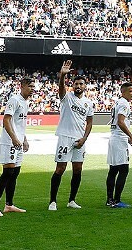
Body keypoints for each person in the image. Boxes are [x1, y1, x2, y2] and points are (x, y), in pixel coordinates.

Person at [49, 60, 93, 211]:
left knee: (78, 170)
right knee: (60, 169)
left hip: (80, 140)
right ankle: (52, 201)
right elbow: (61, 89)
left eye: (81, 84)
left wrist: (84, 139)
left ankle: (71, 200)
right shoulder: (67, 97)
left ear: (85, 86)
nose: (79, 86)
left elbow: (89, 123)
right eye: (76, 84)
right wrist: (62, 75)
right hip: (65, 137)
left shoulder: (89, 103)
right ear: (72, 86)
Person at [0, 77, 32, 217]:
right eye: (30, 86)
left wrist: (24, 139)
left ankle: (9, 205)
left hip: (18, 142)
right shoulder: (14, 100)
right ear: (22, 86)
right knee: (7, 172)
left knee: (15, 173)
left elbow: (19, 124)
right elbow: (6, 119)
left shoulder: (25, 102)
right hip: (9, 142)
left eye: (33, 87)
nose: (33, 89)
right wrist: (13, 138)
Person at [106, 82, 132, 207]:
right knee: (124, 170)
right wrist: (131, 136)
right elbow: (120, 121)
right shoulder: (124, 103)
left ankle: (110, 200)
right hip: (119, 139)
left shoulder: (118, 102)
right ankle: (117, 200)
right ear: (123, 92)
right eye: (130, 91)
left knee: (113, 170)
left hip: (114, 137)